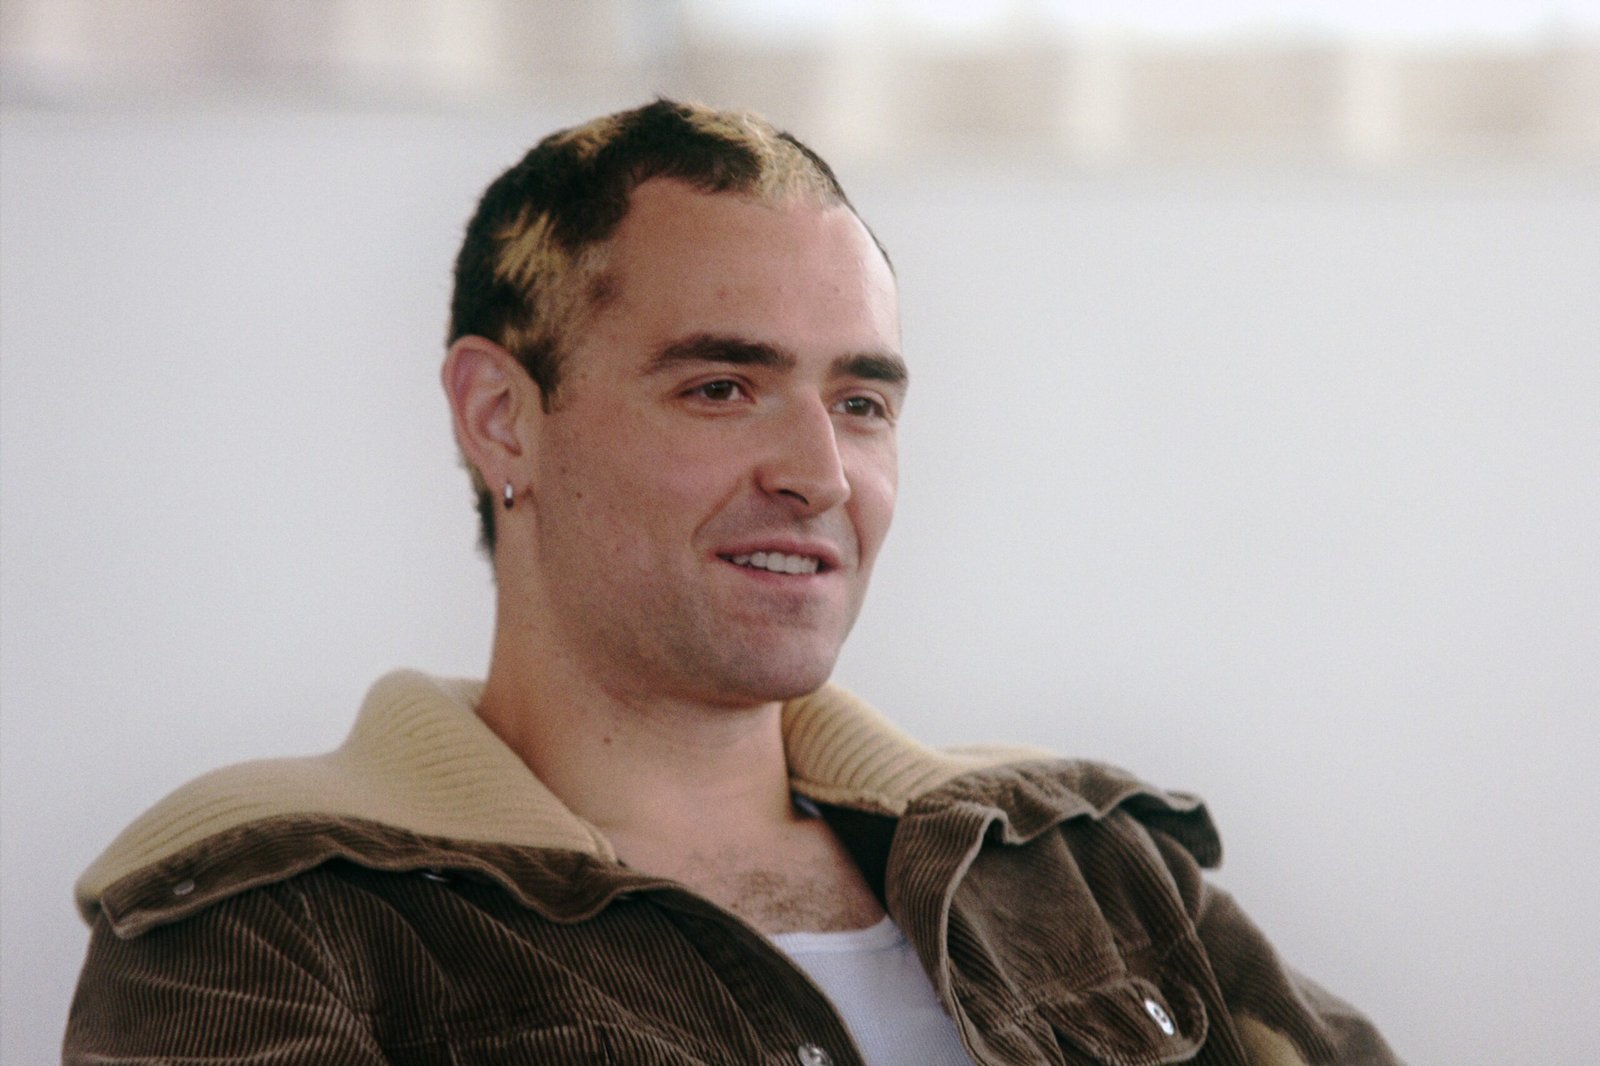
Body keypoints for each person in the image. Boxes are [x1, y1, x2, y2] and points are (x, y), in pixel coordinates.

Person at [64, 99, 1398, 1065]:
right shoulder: (272, 919)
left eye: (862, 403)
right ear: (502, 419)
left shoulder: (1082, 864)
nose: (819, 473)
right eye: (721, 387)